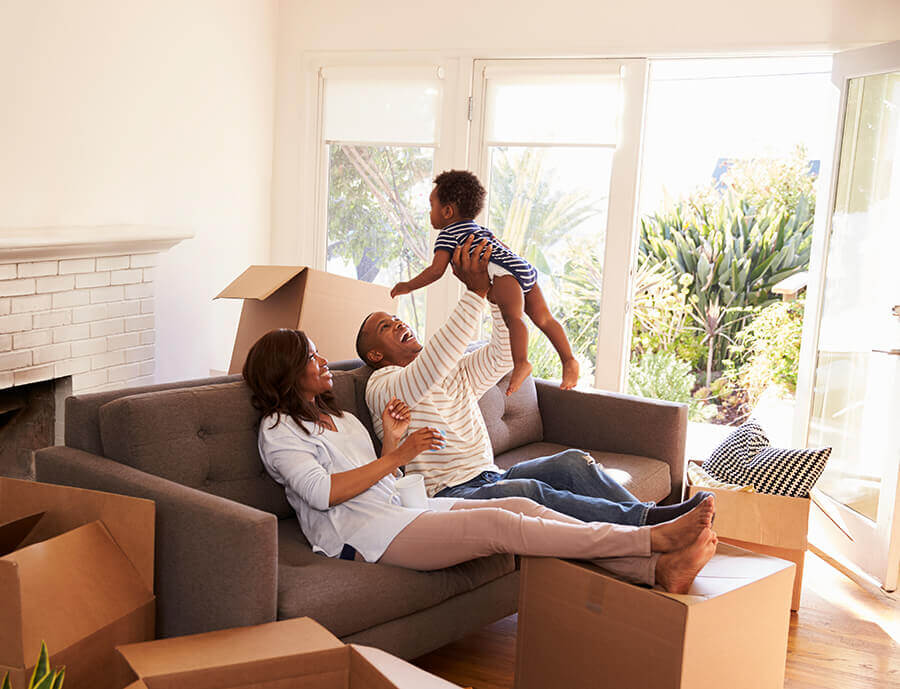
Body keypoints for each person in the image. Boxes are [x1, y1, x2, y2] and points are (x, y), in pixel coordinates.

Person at [243, 326, 718, 593]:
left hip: (398, 511)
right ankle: (648, 539)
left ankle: (655, 569)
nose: (323, 360)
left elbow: (380, 479)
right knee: (499, 525)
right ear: (286, 371)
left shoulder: (340, 418)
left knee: (524, 509)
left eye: (319, 350)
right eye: (311, 355)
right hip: (362, 535)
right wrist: (400, 455)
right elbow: (325, 493)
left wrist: (392, 443)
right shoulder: (279, 431)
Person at [360, 234, 712, 526]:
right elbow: (427, 372)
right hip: (448, 494)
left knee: (573, 461)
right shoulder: (383, 385)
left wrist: (497, 299)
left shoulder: (453, 369)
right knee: (530, 492)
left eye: (397, 318)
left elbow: (501, 355)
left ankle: (653, 517)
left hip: (490, 475)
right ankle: (650, 525)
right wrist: (474, 292)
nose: (399, 324)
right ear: (375, 354)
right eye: (385, 327)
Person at [390, 169, 578, 394]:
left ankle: (521, 363)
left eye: (432, 206)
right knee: (545, 318)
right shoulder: (480, 230)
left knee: (514, 317)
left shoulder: (448, 235)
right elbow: (504, 248)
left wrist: (408, 286)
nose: (430, 212)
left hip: (503, 273)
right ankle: (568, 360)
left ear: (448, 211)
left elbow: (436, 271)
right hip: (521, 265)